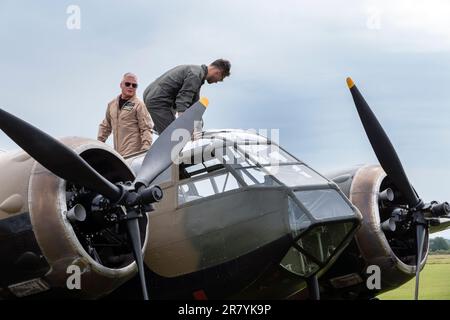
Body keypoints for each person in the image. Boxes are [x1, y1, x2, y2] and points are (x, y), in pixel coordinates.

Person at [143, 59, 231, 134]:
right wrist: (184, 125)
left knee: (174, 131)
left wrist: (199, 128)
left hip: (153, 96)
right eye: (220, 79)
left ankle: (160, 129)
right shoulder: (195, 75)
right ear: (218, 72)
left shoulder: (197, 72)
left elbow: (194, 105)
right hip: (159, 101)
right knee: (174, 136)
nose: (217, 82)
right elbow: (183, 101)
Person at [98, 73, 154, 157]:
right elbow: (105, 127)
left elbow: (146, 129)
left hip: (134, 156)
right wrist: (98, 144)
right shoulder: (112, 105)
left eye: (134, 85)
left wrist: (145, 151)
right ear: (121, 85)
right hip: (119, 157)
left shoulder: (138, 105)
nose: (131, 87)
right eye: (127, 84)